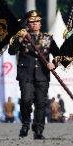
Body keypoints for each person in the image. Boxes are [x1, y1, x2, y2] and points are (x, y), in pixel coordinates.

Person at [8, 10, 61, 139]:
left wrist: (54, 64)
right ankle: (26, 123)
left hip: (42, 75)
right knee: (26, 100)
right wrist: (19, 39)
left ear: (40, 23)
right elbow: (11, 51)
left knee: (41, 103)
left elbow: (59, 55)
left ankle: (38, 130)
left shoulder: (48, 38)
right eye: (32, 22)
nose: (35, 24)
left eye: (37, 21)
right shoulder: (21, 37)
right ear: (28, 24)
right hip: (26, 75)